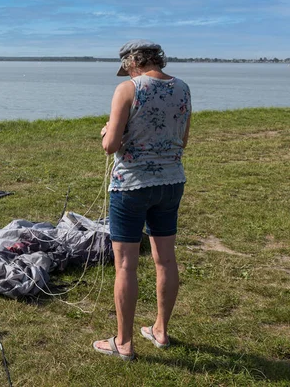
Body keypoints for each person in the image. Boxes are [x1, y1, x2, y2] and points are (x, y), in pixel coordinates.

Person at [92, 39, 192, 361]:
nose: (127, 73)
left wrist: (108, 131)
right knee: (165, 259)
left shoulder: (128, 90)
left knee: (126, 264)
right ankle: (160, 330)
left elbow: (111, 146)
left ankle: (124, 342)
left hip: (131, 186)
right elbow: (183, 140)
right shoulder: (183, 88)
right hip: (171, 182)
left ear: (134, 61)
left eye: (127, 67)